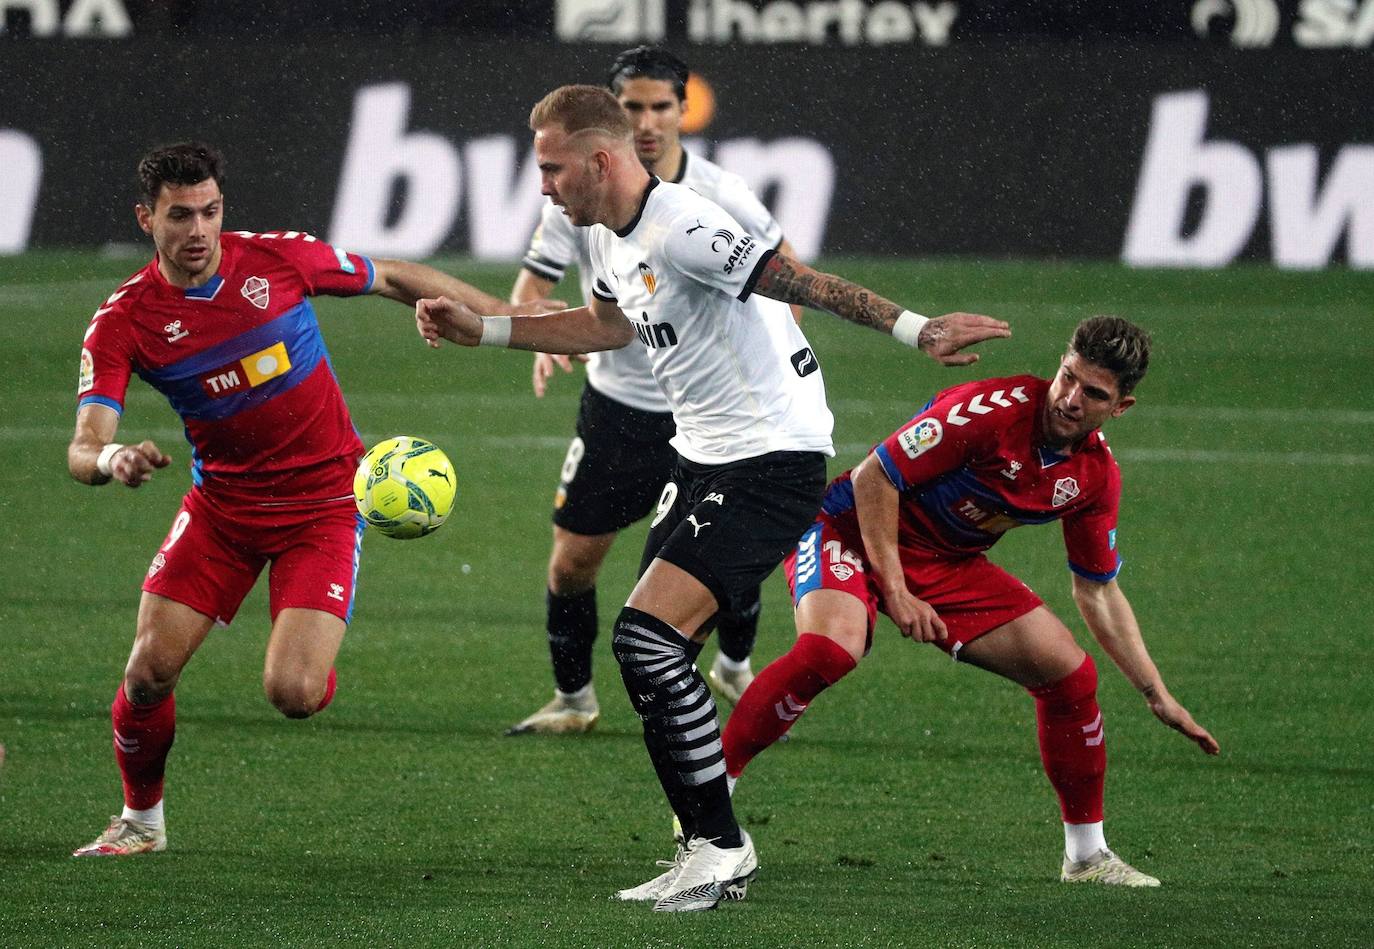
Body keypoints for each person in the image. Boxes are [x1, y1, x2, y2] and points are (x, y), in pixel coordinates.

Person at [414, 84, 1010, 911]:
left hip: (770, 458)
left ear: (599, 159)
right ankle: (706, 843)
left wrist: (918, 328)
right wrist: (489, 331)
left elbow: (797, 282)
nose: (542, 185)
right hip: (704, 457)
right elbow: (606, 327)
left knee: (646, 640)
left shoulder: (685, 226)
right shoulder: (605, 236)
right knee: (650, 653)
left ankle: (722, 846)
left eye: (551, 168)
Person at [69, 142, 549, 857]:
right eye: (179, 216)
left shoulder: (278, 261)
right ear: (147, 218)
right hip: (221, 511)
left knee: (293, 692)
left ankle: (312, 653)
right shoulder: (125, 320)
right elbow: (83, 446)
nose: (197, 230)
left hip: (325, 505)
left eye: (210, 211)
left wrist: (513, 320)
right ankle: (141, 819)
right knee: (147, 674)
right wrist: (115, 457)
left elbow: (391, 276)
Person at [720, 316, 1220, 887]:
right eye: (1067, 377)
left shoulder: (1093, 477)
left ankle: (1086, 856)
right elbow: (874, 478)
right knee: (832, 650)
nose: (1071, 399)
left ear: (1121, 407)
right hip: (847, 527)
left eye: (1094, 394)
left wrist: (1156, 694)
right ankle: (707, 803)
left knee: (1070, 676)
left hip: (944, 562)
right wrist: (899, 590)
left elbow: (1098, 590)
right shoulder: (990, 411)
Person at [508, 46, 802, 736]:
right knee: (574, 560)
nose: (647, 120)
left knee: (718, 561)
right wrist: (543, 334)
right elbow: (533, 288)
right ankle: (574, 699)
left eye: (660, 105)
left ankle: (734, 664)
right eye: (632, 106)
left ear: (681, 110)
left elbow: (784, 274)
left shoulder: (721, 196)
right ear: (613, 114)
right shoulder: (576, 189)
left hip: (713, 415)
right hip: (620, 407)